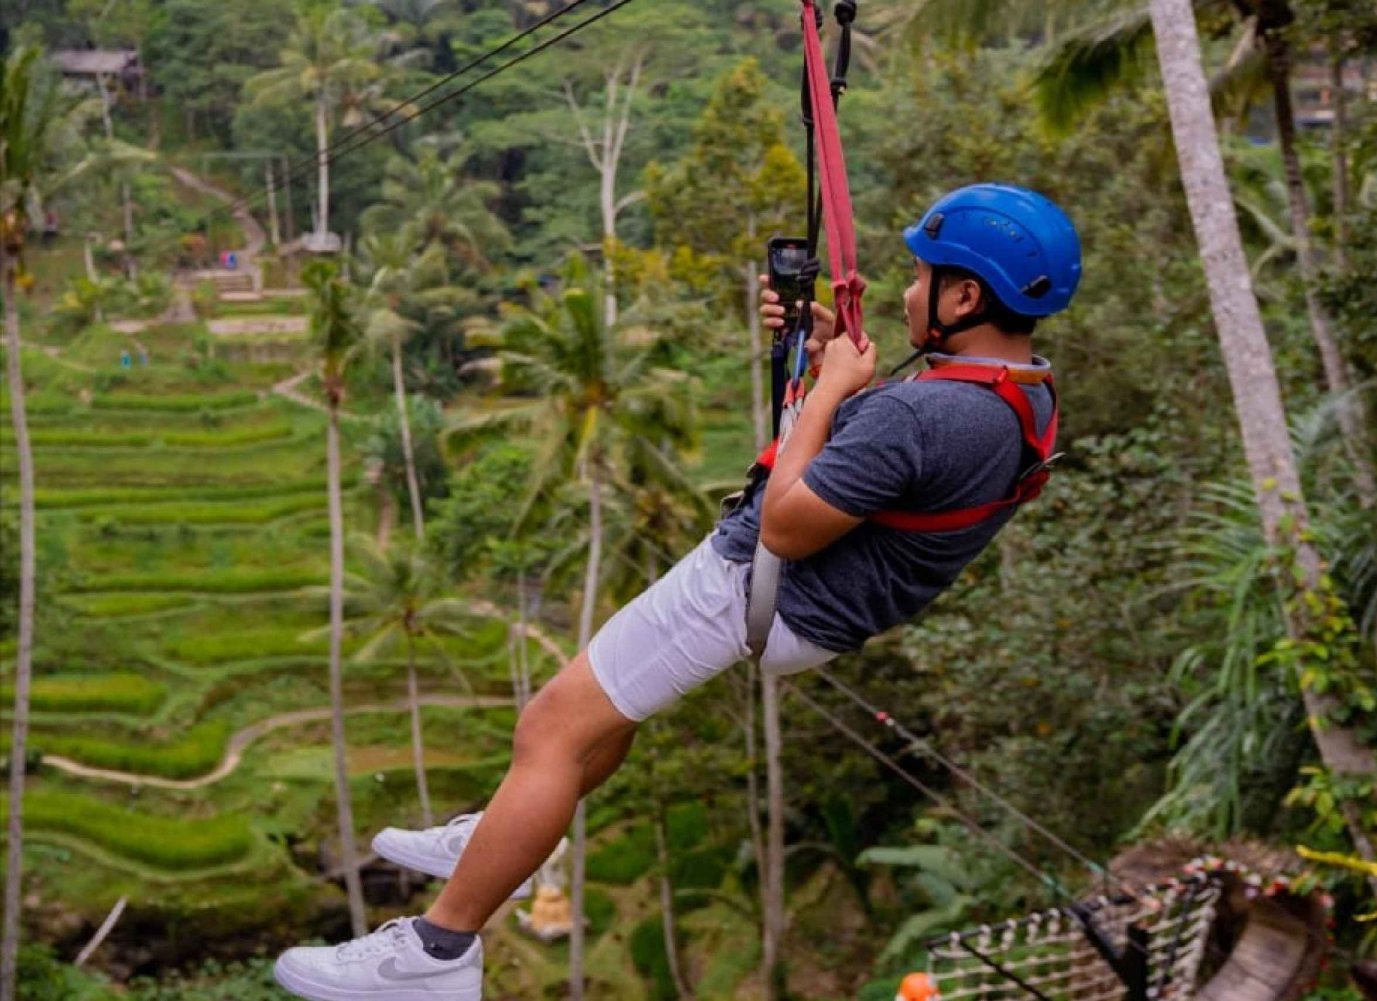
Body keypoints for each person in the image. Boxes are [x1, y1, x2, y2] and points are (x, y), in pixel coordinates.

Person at [272, 183, 1082, 1001]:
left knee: (550, 725)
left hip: (758, 585)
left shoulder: (924, 414)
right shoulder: (1018, 397)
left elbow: (789, 525)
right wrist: (828, 355)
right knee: (606, 713)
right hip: (811, 609)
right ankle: (497, 838)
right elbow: (896, 469)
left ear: (965, 294)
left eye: (920, 276)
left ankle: (434, 953)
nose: (908, 292)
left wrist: (834, 387)